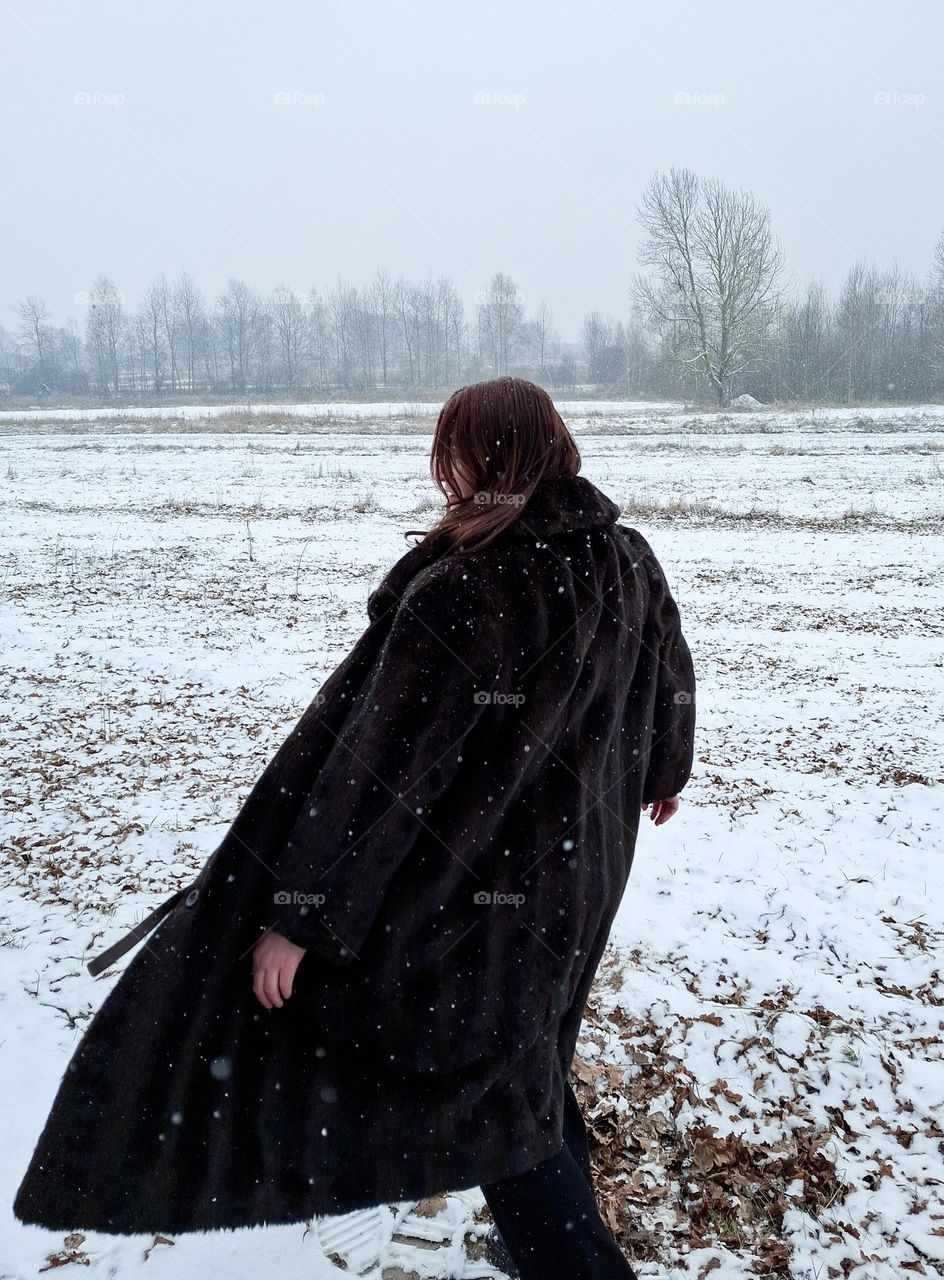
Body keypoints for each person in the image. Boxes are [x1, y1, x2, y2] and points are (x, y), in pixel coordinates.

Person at [15, 377, 695, 1280]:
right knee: (526, 1058)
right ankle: (535, 1238)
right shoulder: (626, 556)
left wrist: (302, 919)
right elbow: (672, 675)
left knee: (484, 1103)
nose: (444, 471)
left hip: (472, 906)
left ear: (484, 460)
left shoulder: (466, 590)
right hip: (577, 881)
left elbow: (380, 780)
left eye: (453, 451)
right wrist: (662, 768)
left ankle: (575, 1264)